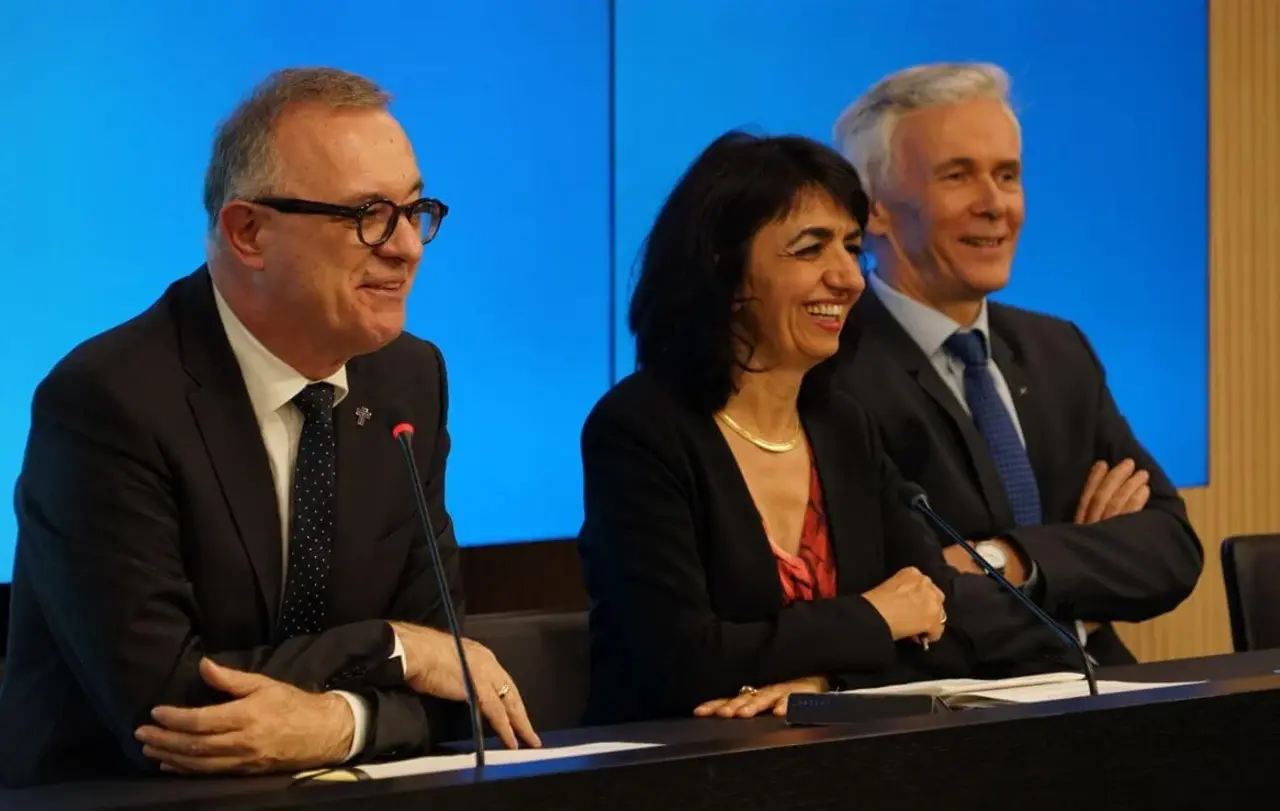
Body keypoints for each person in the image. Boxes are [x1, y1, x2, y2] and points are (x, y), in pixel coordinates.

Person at [0, 67, 539, 788]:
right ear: (248, 231)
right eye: (369, 215)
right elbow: (171, 707)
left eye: (416, 210)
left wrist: (339, 721)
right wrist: (393, 648)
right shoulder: (108, 401)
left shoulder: (409, 377)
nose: (407, 247)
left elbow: (455, 690)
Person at [576, 131, 978, 726]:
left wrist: (821, 680)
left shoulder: (844, 425)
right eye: (811, 249)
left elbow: (934, 615)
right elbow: (684, 659)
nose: (849, 280)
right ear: (725, 268)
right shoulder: (638, 430)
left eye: (851, 248)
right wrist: (872, 619)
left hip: (846, 762)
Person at [830, 63, 1203, 666]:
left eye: (1008, 176)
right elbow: (909, 603)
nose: (995, 204)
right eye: (958, 176)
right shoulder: (832, 370)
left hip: (1105, 702)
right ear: (874, 209)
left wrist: (1010, 560)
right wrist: (1083, 570)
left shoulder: (1059, 350)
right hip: (944, 727)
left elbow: (1170, 548)